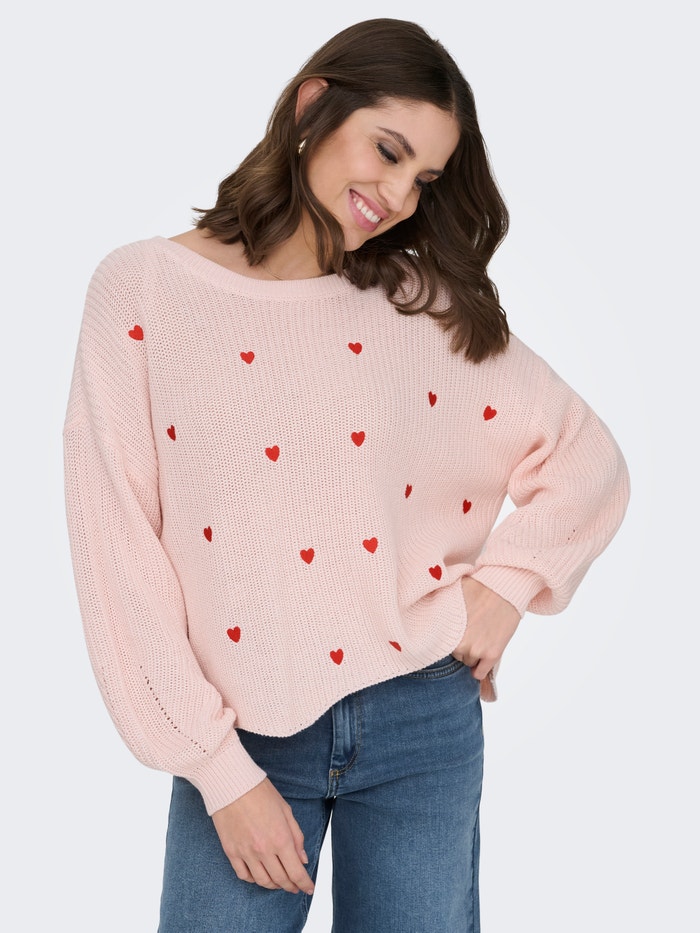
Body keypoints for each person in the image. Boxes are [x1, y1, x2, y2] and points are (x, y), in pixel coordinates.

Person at [63, 17, 630, 933]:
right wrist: (219, 771)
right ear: (313, 106)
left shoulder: (418, 307)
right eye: (389, 151)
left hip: (423, 716)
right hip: (243, 730)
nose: (399, 195)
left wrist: (507, 586)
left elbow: (586, 455)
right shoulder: (145, 292)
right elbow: (118, 551)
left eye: (426, 178)